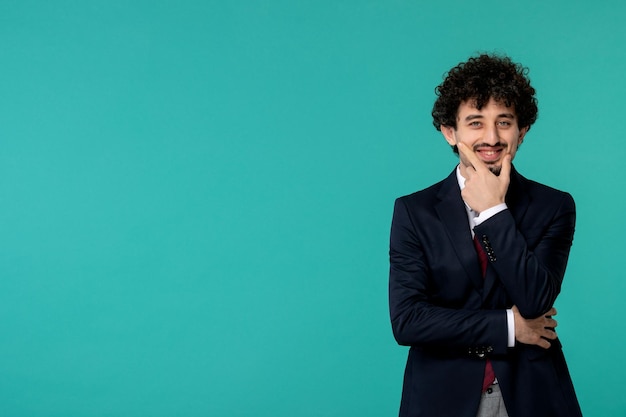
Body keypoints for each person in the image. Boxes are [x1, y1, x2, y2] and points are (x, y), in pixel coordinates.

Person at [388, 54, 583, 417]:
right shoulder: (414, 212)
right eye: (475, 123)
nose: (491, 138)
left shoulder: (554, 206)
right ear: (451, 131)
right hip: (440, 397)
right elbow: (408, 320)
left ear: (521, 131)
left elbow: (536, 298)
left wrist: (494, 211)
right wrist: (509, 326)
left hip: (532, 393)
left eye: (504, 122)